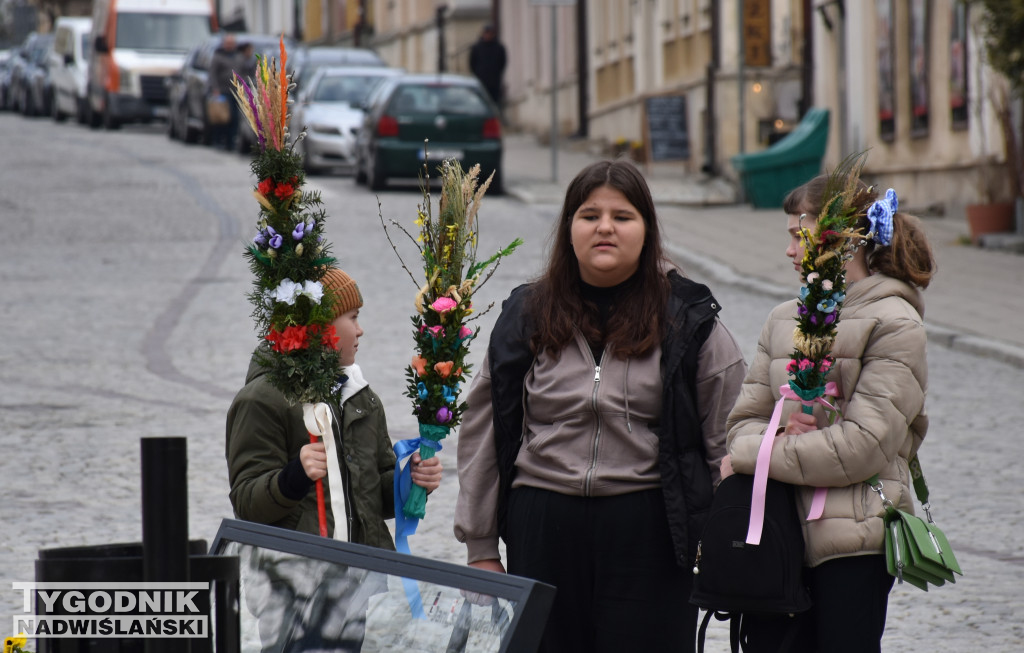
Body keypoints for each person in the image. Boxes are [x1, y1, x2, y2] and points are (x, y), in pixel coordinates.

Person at [454, 160, 747, 652]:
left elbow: (728, 436)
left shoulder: (689, 318)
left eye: (623, 216)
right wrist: (481, 547)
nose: (605, 227)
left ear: (647, 229)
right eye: (589, 215)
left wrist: (727, 540)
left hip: (651, 529)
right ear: (569, 228)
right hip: (543, 526)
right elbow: (485, 428)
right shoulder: (527, 313)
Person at [721, 174, 936, 653]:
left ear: (841, 240)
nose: (790, 252)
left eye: (800, 236)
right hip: (775, 534)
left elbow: (861, 448)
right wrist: (770, 431)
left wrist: (755, 455)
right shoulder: (782, 320)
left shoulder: (895, 323)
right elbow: (741, 424)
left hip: (852, 541)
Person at [226, 267, 443, 650]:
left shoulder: (361, 398)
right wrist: (292, 477)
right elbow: (246, 501)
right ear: (322, 327)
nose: (360, 331)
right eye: (353, 318)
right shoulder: (263, 399)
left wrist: (409, 482)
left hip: (356, 580)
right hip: (293, 583)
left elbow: (372, 492)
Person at [208, 33, 242, 150]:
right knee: (222, 118)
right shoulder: (218, 57)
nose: (230, 46)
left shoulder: (238, 57)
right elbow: (212, 74)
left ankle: (230, 142)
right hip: (222, 91)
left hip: (236, 92)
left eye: (232, 43)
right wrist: (215, 89)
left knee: (234, 118)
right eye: (227, 43)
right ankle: (218, 140)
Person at [468, 24, 506, 109]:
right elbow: (472, 63)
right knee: (481, 103)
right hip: (481, 80)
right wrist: (478, 73)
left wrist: (496, 73)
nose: (488, 35)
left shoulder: (499, 48)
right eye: (486, 33)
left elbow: (502, 63)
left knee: (494, 103)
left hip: (494, 81)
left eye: (490, 33)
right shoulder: (477, 47)